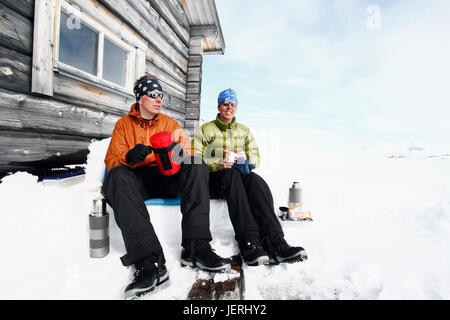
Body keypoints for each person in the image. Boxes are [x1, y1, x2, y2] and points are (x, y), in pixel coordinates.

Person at [101, 75, 229, 300]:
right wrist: (128, 156)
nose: (159, 99)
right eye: (153, 95)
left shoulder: (170, 124)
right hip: (139, 181)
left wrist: (177, 152)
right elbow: (111, 161)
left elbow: (190, 153)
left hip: (168, 177)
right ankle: (149, 262)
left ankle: (196, 248)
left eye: (161, 95)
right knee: (117, 176)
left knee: (197, 164)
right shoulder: (124, 125)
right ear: (140, 98)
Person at [193, 88, 307, 266]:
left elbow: (255, 156)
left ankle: (276, 241)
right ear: (218, 106)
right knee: (231, 176)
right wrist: (217, 165)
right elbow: (195, 156)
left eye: (233, 104)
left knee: (255, 180)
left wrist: (246, 163)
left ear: (236, 107)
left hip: (236, 177)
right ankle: (249, 242)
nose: (229, 107)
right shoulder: (206, 130)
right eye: (225, 103)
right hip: (213, 180)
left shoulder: (244, 131)